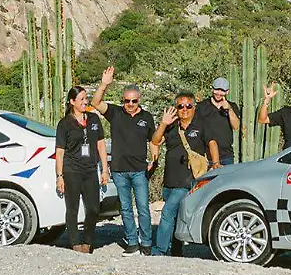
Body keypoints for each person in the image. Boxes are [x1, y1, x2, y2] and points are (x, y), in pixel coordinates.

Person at [91, 66, 158, 255]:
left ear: (139, 100)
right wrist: (104, 84)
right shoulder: (115, 113)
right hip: (119, 170)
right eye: (127, 101)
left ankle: (146, 242)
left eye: (133, 101)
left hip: (139, 170)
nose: (130, 104)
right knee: (126, 209)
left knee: (144, 208)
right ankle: (132, 241)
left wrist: (154, 158)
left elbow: (153, 140)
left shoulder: (146, 117)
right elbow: (96, 102)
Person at [150, 92, 219, 257]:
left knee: (167, 213)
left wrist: (215, 164)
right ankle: (176, 249)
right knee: (175, 216)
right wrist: (163, 123)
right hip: (170, 179)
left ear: (194, 107)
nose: (184, 109)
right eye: (180, 106)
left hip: (188, 179)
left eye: (188, 105)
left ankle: (160, 249)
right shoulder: (171, 125)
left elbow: (212, 143)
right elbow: (155, 141)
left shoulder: (201, 125)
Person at [54, 85, 109, 254]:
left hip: (90, 169)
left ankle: (88, 240)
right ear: (72, 102)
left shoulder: (93, 119)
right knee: (73, 208)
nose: (85, 102)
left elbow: (101, 144)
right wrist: (59, 176)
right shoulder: (64, 124)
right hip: (72, 170)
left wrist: (105, 169)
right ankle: (75, 242)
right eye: (82, 99)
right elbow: (60, 152)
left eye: (86, 98)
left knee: (93, 208)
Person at [193, 79, 242, 167]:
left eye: (222, 90)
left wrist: (229, 109)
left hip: (227, 156)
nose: (219, 93)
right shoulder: (201, 107)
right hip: (206, 157)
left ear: (227, 92)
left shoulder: (232, 106)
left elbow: (236, 126)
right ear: (212, 89)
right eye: (216, 89)